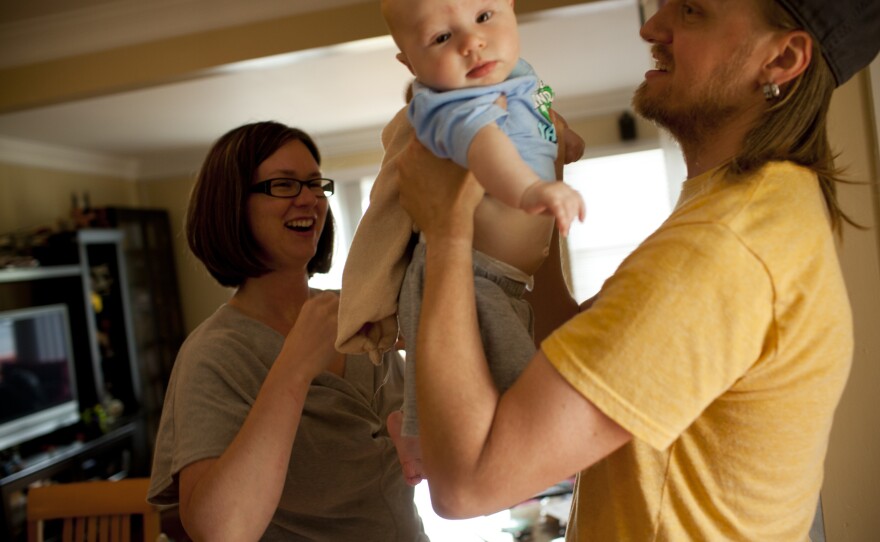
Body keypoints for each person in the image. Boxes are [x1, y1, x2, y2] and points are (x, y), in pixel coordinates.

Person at [397, 0, 880, 539]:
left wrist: (445, 231)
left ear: (783, 58)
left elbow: (467, 487)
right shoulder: (751, 210)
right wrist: (532, 206)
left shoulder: (719, 248)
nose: (652, 25)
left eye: (693, 10)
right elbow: (566, 357)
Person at [336, 0, 585, 477]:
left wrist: (561, 128)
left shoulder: (520, 76)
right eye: (441, 38)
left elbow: (542, 96)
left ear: (512, 10)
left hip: (507, 277)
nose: (471, 41)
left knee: (461, 375)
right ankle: (467, 446)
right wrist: (533, 187)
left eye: (484, 17)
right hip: (464, 273)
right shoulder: (446, 106)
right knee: (512, 378)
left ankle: (414, 431)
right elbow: (485, 148)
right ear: (411, 62)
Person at [147, 121, 427, 541]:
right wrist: (294, 368)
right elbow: (219, 530)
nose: (310, 200)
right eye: (284, 185)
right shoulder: (215, 353)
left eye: (315, 185)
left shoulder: (358, 312)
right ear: (232, 204)